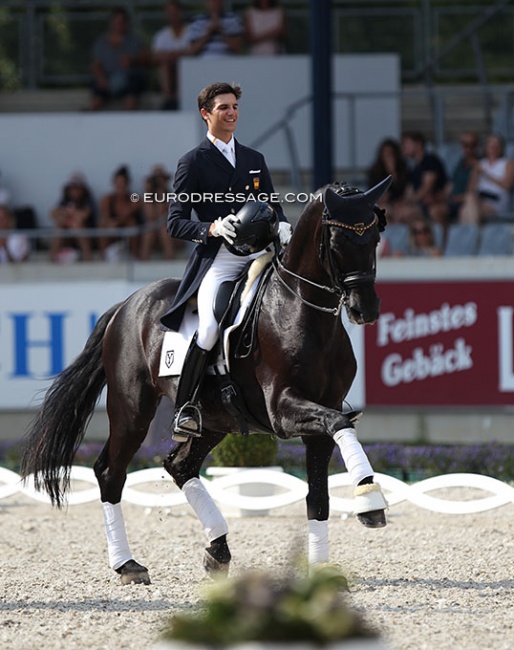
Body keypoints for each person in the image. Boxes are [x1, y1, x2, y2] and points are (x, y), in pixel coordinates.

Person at [159, 81, 292, 439]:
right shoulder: (193, 162)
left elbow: (272, 204)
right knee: (208, 328)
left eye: (234, 107)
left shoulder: (253, 159)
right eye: (223, 108)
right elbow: (175, 222)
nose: (231, 113)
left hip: (260, 254)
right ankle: (185, 408)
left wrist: (281, 224)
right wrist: (212, 227)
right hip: (220, 258)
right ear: (206, 114)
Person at [90, 7, 149, 111]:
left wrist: (132, 59)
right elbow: (96, 65)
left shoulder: (134, 40)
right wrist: (102, 78)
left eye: (122, 22)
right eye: (117, 22)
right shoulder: (102, 41)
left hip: (129, 80)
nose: (119, 25)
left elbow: (147, 58)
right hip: (107, 79)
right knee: (96, 98)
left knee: (132, 93)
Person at [459, 133, 514, 224]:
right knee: (467, 204)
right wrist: (475, 173)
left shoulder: (508, 164)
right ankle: (474, 233)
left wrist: (485, 173)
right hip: (480, 198)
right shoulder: (481, 164)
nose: (493, 148)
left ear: (501, 148)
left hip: (497, 201)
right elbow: (471, 189)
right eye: (491, 145)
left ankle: (471, 235)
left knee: (466, 210)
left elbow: (507, 185)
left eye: (496, 145)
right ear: (486, 148)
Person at [398, 131, 449, 225]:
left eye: (407, 143)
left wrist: (412, 201)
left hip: (436, 203)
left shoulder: (430, 161)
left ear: (418, 144)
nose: (404, 147)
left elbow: (426, 188)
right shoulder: (413, 167)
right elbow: (409, 190)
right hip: (421, 204)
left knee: (406, 213)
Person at [152, 1, 192, 110]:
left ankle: (179, 97)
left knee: (182, 64)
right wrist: (170, 56)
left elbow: (194, 52)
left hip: (186, 71)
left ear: (181, 13)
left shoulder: (191, 32)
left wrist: (178, 55)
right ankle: (169, 98)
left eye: (175, 12)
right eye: (170, 12)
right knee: (165, 65)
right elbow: (156, 56)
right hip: (168, 71)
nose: (173, 15)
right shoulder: (161, 35)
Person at [49, 172, 96, 263]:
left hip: (87, 235)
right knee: (60, 225)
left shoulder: (87, 200)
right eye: (72, 188)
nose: (75, 191)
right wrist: (67, 214)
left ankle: (88, 259)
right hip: (68, 236)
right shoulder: (65, 200)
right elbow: (53, 213)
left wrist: (69, 214)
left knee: (77, 225)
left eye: (77, 188)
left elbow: (84, 215)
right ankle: (52, 260)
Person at [98, 165, 142, 261]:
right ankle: (103, 257)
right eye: (118, 184)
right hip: (112, 232)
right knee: (103, 226)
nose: (120, 187)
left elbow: (128, 214)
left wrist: (117, 222)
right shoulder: (107, 200)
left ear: (127, 185)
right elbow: (105, 217)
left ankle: (135, 255)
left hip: (127, 230)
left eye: (122, 184)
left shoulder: (134, 198)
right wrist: (110, 223)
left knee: (131, 223)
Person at [140, 164, 181, 261]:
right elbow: (151, 216)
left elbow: (164, 215)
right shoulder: (147, 197)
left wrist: (161, 195)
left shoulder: (173, 196)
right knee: (148, 233)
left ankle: (170, 262)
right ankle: (143, 263)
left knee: (164, 231)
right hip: (153, 234)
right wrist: (150, 193)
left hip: (170, 234)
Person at [367, 138, 409, 223]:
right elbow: (373, 193)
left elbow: (404, 189)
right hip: (382, 203)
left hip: (401, 202)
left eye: (390, 153)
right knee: (385, 212)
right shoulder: (375, 171)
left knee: (405, 212)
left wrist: (393, 172)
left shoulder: (403, 169)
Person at [446, 131, 479, 223]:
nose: (468, 148)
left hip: (465, 202)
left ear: (476, 147)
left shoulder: (479, 165)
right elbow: (451, 184)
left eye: (471, 145)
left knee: (439, 212)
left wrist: (453, 199)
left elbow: (472, 192)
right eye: (465, 145)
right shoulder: (460, 163)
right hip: (453, 201)